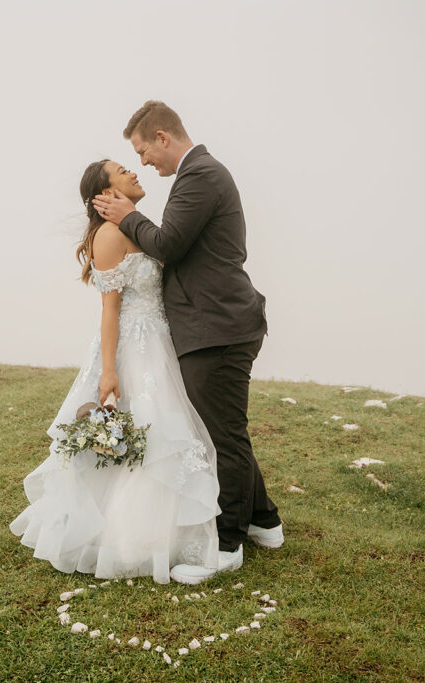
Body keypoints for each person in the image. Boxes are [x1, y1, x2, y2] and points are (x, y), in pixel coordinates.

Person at [93, 101, 283, 584]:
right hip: (210, 327)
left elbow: (169, 243)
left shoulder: (201, 174)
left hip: (218, 328)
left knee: (223, 436)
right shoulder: (196, 175)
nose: (143, 162)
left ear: (162, 137)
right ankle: (265, 520)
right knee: (221, 426)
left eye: (142, 150)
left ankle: (227, 545)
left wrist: (128, 214)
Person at [9, 159, 220, 585]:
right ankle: (125, 541)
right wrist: (109, 373)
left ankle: (164, 537)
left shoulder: (139, 226)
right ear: (105, 194)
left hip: (160, 343)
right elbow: (110, 311)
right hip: (131, 349)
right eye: (124, 170)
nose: (134, 173)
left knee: (161, 435)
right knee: (143, 435)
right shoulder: (109, 235)